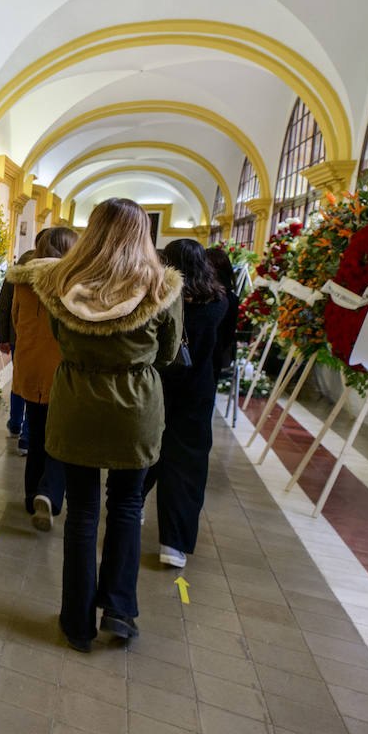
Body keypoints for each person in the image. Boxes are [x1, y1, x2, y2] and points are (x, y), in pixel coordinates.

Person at [9, 198, 182, 651]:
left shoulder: (62, 283)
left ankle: (77, 622)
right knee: (126, 506)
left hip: (77, 403)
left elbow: (58, 336)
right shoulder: (160, 287)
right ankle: (120, 610)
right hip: (135, 409)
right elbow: (168, 353)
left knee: (83, 512)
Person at [144, 240, 228, 568]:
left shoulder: (159, 297)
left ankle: (133, 504)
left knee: (147, 447)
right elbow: (223, 348)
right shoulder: (219, 301)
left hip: (159, 382)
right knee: (187, 464)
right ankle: (174, 542)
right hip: (198, 389)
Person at [5, 228, 78, 531]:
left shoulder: (22, 282)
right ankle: (48, 494)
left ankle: (30, 495)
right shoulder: (71, 283)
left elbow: (15, 319)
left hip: (29, 364)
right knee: (60, 438)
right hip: (62, 369)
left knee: (35, 433)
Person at [0, 249, 36, 455]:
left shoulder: (17, 271)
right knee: (36, 386)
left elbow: (3, 307)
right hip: (41, 338)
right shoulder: (53, 273)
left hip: (17, 335)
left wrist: (3, 337)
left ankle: (15, 423)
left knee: (19, 379)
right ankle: (27, 436)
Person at [204, 246, 239, 378]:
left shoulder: (206, 298)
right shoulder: (232, 298)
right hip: (218, 354)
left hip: (206, 354)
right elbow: (229, 333)